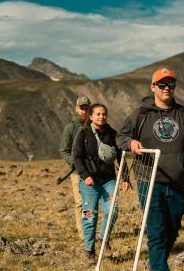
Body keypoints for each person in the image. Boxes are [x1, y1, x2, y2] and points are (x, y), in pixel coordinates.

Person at [116, 68, 184, 271]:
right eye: (162, 84)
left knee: (173, 227)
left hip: (176, 181)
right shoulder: (140, 114)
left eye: (170, 84)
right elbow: (120, 138)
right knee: (156, 230)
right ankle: (159, 267)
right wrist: (130, 142)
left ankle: (155, 262)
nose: (167, 88)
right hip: (148, 180)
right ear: (153, 87)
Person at [72, 103, 129, 260]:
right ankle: (89, 251)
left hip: (108, 181)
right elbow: (76, 157)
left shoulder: (112, 134)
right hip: (89, 182)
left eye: (104, 114)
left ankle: (103, 238)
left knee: (113, 209)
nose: (101, 116)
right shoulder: (83, 134)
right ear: (91, 116)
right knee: (89, 216)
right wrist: (85, 175)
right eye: (98, 114)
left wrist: (126, 177)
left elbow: (121, 157)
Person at [59, 95, 91, 240]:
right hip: (77, 172)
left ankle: (90, 231)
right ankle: (83, 235)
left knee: (91, 203)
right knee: (80, 203)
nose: (84, 111)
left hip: (93, 171)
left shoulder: (94, 125)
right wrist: (74, 162)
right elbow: (63, 150)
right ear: (76, 109)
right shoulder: (70, 128)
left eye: (86, 108)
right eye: (81, 108)